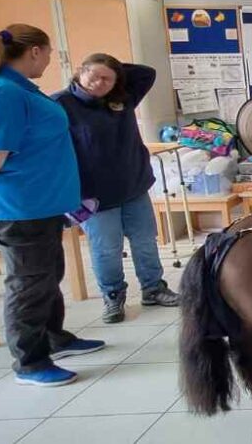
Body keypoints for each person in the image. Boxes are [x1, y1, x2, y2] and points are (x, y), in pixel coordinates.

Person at [0, 24, 104, 387]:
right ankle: (30, 362)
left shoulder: (18, 89)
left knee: (48, 276)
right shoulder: (1, 92)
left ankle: (55, 338)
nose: (50, 60)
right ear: (34, 51)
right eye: (48, 52)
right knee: (29, 284)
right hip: (22, 205)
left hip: (43, 202)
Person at [52, 54, 179, 325]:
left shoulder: (122, 98)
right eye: (94, 76)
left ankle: (153, 288)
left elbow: (146, 72)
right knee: (106, 248)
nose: (100, 82)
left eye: (107, 78)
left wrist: (116, 73)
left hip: (133, 185)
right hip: (94, 195)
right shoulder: (61, 103)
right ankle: (113, 295)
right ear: (79, 73)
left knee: (145, 240)